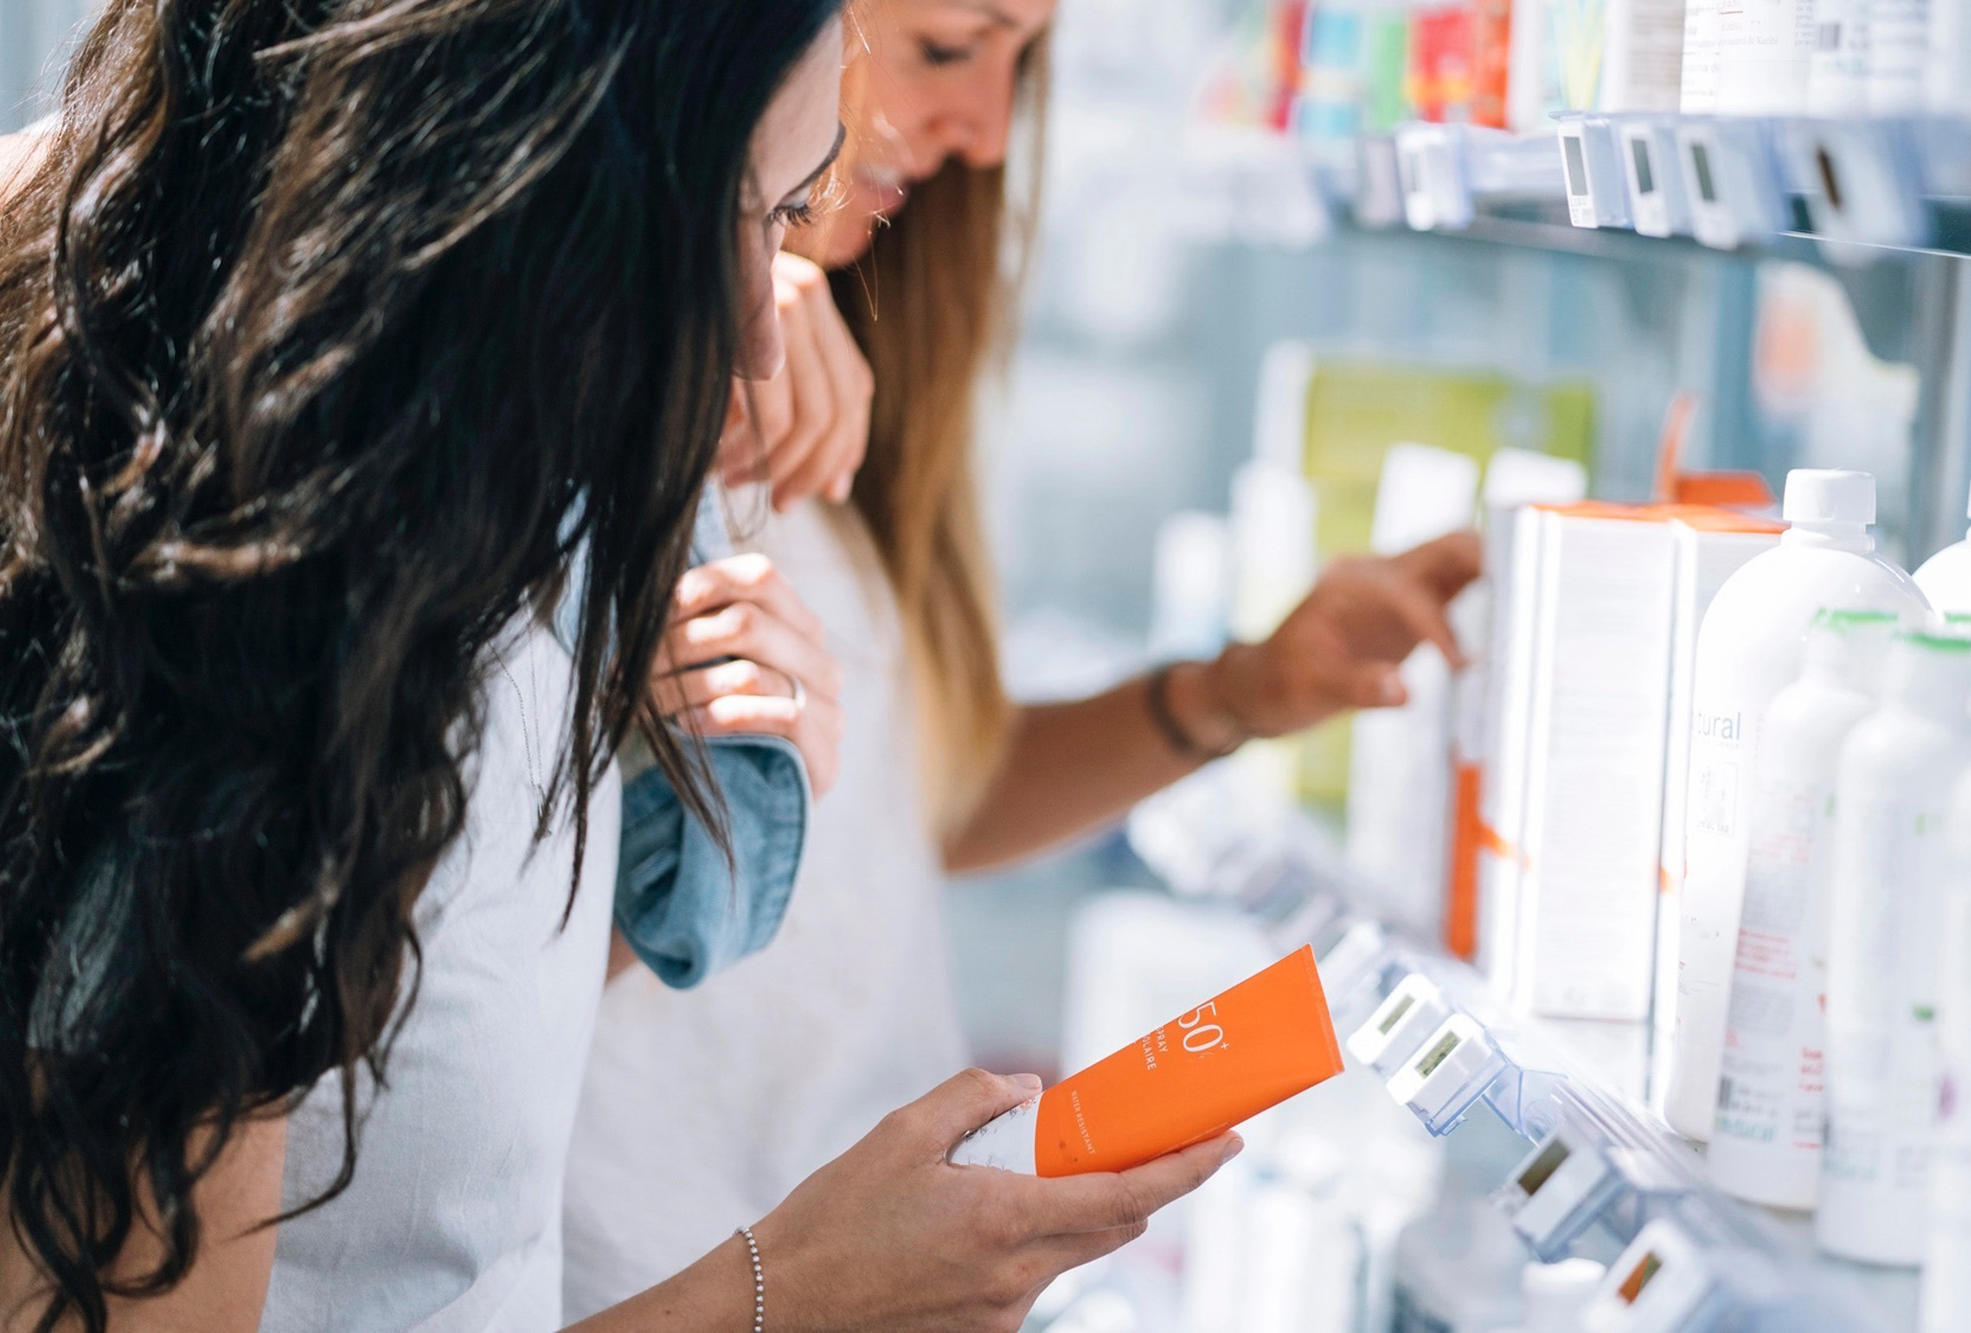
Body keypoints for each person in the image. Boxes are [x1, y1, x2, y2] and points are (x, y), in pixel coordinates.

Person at [0, 3, 1235, 1330]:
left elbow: (404, 1066)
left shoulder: (495, 541)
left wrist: (662, 846)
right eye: (743, 220)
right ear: (535, 161)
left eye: (796, 221)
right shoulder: (246, 648)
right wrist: (790, 1290)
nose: (769, 334)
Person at [562, 0, 1483, 1317]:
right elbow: (454, 935)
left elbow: (907, 803)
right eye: (949, 48)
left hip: (878, 1269)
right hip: (664, 1273)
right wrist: (693, 292)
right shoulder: (594, 392)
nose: (988, 133)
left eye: (1021, 65)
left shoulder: (835, 376)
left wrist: (1231, 694)